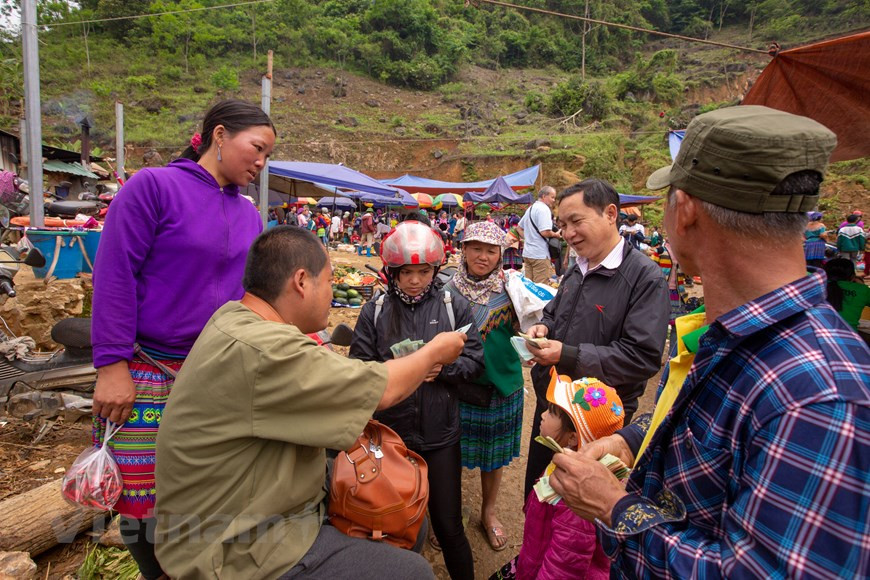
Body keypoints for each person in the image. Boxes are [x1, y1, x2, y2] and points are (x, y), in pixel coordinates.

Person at [548, 105, 870, 578]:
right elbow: (700, 436)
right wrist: (631, 441)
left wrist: (615, 507)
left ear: (687, 210)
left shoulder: (817, 393)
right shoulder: (731, 336)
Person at [155, 226, 468, 579]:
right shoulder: (269, 350)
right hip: (237, 545)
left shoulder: (233, 318)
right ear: (302, 282)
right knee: (412, 572)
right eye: (330, 281)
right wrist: (433, 353)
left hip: (232, 512)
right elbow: (382, 390)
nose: (333, 291)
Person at [90, 99, 276, 580]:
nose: (260, 162)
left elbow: (251, 297)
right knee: (142, 502)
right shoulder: (152, 187)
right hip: (145, 371)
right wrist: (111, 367)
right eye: (256, 148)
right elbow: (115, 276)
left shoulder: (249, 215)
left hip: (215, 374)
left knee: (209, 490)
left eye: (267, 155)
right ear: (218, 135)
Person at [349, 221, 484, 580]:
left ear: (435, 269)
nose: (415, 280)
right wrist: (393, 371)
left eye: (424, 271)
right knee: (390, 522)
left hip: (441, 436)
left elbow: (474, 361)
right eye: (406, 272)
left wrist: (442, 370)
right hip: (390, 439)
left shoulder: (454, 305)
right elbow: (358, 369)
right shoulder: (374, 311)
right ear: (392, 272)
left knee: (449, 525)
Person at [522, 178, 669, 498]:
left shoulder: (645, 278)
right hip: (554, 405)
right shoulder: (578, 267)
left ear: (611, 214)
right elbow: (555, 311)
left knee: (575, 514)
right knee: (537, 493)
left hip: (597, 422)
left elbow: (642, 358)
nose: (568, 233)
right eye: (562, 224)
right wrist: (544, 327)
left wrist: (567, 355)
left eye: (576, 221)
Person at [490, 372, 624, 580]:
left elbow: (563, 568)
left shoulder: (578, 503)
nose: (543, 414)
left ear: (572, 437)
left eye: (552, 412)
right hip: (535, 557)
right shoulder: (564, 462)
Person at [445, 222, 525, 553]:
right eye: (476, 248)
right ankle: (448, 517)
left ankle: (488, 512)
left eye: (491, 251)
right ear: (463, 249)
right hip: (459, 386)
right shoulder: (447, 290)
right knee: (450, 455)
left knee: (495, 458)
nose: (483, 256)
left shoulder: (513, 289)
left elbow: (529, 326)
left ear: (501, 255)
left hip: (501, 386)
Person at [517, 186, 560, 284]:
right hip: (539, 255)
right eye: (552, 197)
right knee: (541, 287)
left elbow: (519, 228)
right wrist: (555, 235)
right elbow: (545, 232)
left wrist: (528, 238)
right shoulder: (544, 209)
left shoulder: (531, 208)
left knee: (529, 287)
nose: (553, 200)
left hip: (528, 254)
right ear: (544, 196)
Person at [824, 258, 870, 334]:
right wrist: (862, 287)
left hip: (815, 334)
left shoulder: (817, 286)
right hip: (849, 336)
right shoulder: (861, 290)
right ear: (852, 277)